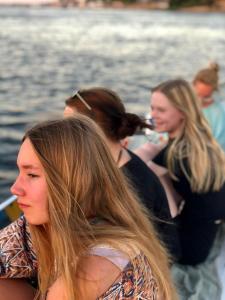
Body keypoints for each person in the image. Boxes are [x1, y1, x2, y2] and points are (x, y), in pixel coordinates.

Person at [1, 115, 177, 300]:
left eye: (31, 175)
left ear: (73, 181)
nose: (15, 188)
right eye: (20, 171)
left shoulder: (94, 267)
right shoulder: (52, 223)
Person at [64, 87, 180, 259]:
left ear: (93, 132)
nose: (60, 134)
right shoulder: (110, 159)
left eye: (68, 127)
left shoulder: (134, 187)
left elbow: (132, 251)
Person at [139, 78, 225, 266]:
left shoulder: (173, 155)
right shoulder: (202, 144)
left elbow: (136, 185)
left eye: (161, 110)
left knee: (147, 188)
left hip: (185, 249)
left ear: (182, 112)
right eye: (152, 108)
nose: (153, 115)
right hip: (204, 237)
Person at [193, 62, 225, 151]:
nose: (200, 101)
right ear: (193, 85)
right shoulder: (183, 107)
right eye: (198, 95)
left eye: (206, 97)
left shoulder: (221, 112)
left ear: (213, 92)